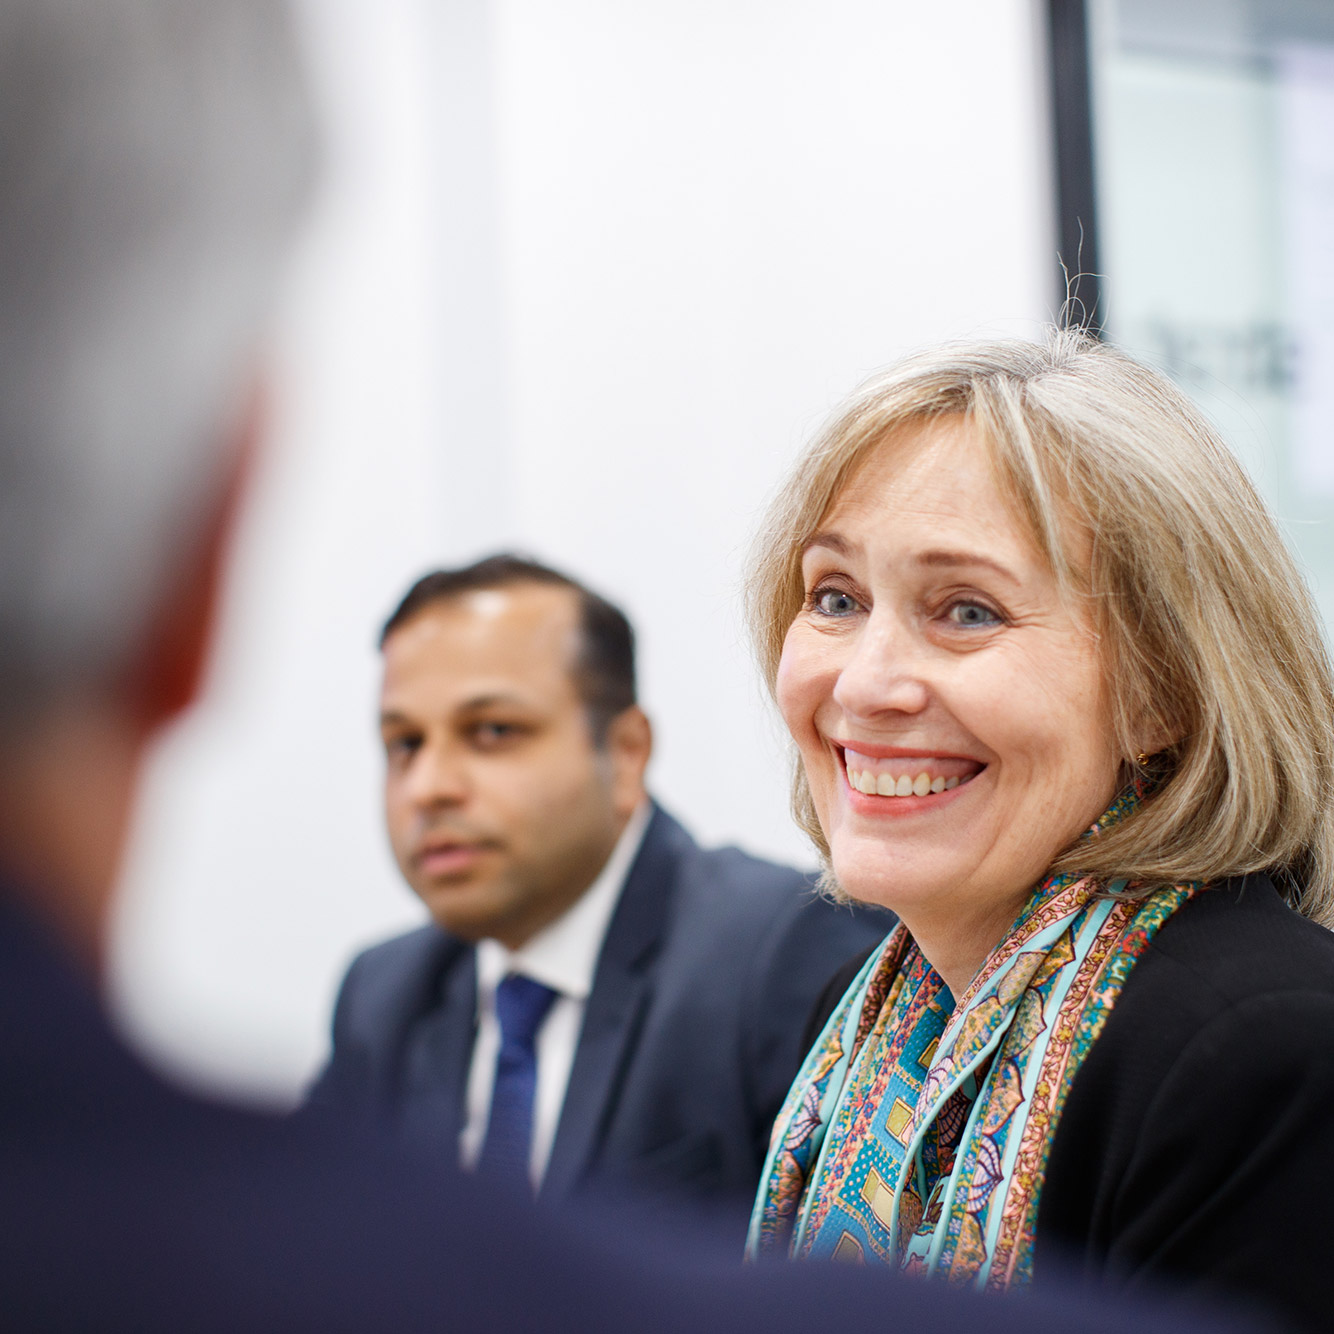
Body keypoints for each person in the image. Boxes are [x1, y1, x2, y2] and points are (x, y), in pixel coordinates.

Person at [742, 329, 1334, 1332]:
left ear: (1161, 692)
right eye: (834, 597)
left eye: (965, 611)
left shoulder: (1266, 1048)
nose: (864, 682)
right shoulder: (855, 1021)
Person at [309, 555, 886, 1234]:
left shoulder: (788, 950)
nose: (429, 786)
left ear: (625, 753)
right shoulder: (384, 995)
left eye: (492, 731)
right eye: (404, 743)